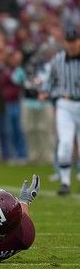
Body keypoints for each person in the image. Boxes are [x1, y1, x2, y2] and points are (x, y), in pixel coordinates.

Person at [40, 26, 80, 196]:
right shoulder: (58, 60)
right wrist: (44, 91)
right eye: (69, 42)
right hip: (65, 103)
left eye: (74, 41)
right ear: (65, 43)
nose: (71, 45)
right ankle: (65, 181)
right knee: (65, 143)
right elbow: (50, 80)